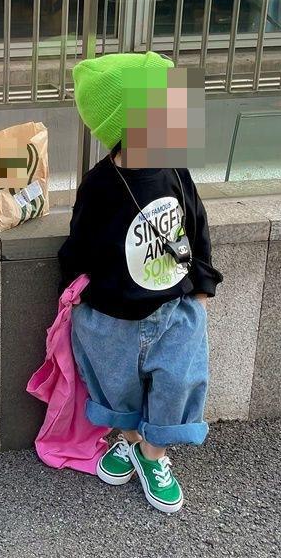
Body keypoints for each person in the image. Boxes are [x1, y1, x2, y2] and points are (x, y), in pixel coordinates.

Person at [58, 51, 223, 514]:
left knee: (179, 380)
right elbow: (80, 244)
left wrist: (202, 287)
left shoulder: (174, 170)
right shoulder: (99, 185)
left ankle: (153, 455)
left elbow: (196, 227)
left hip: (175, 309)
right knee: (117, 386)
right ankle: (130, 440)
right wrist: (77, 294)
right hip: (112, 315)